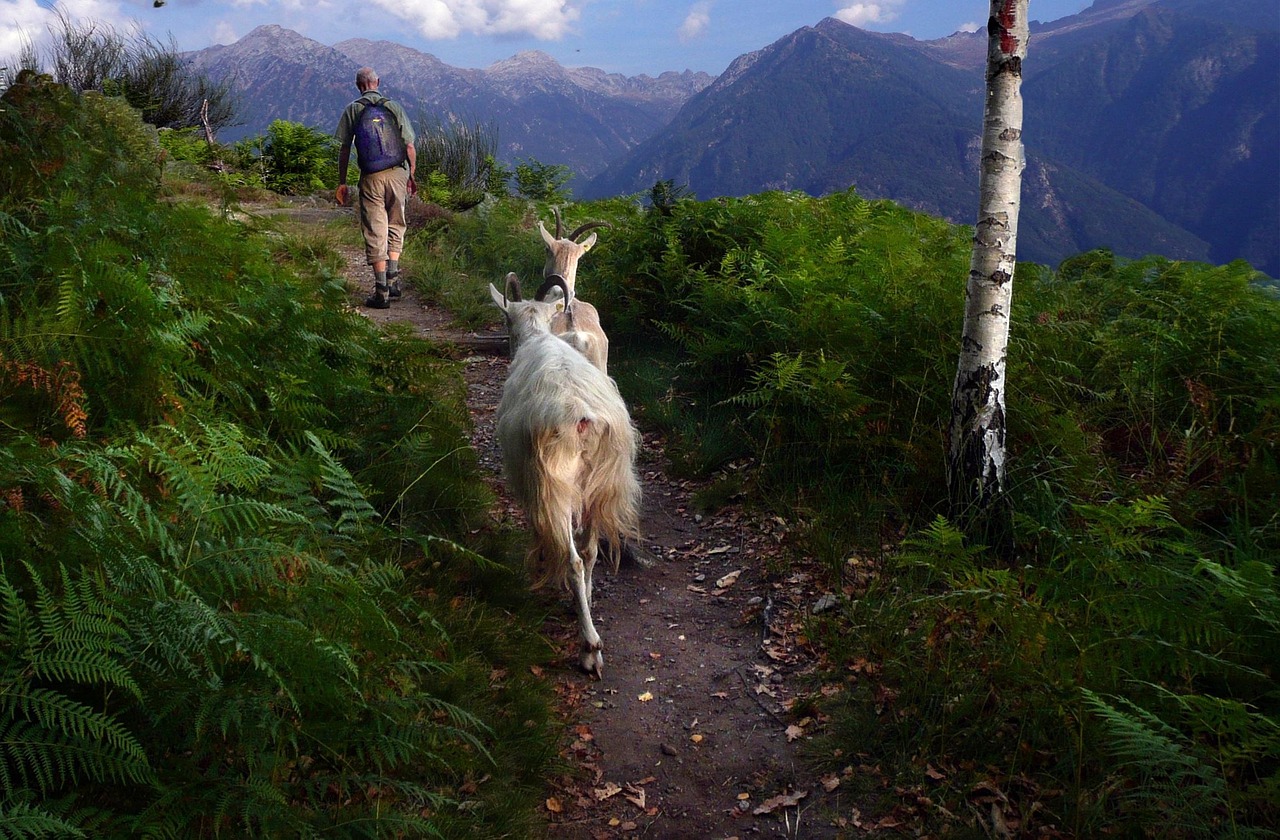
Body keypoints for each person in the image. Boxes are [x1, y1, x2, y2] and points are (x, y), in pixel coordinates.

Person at [335, 67, 417, 309]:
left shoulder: (353, 109)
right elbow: (409, 146)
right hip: (398, 174)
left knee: (375, 229)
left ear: (358, 85)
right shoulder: (394, 107)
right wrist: (412, 175)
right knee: (396, 224)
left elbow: (344, 148)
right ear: (377, 82)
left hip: (371, 177)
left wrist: (342, 181)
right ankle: (393, 281)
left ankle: (381, 292)